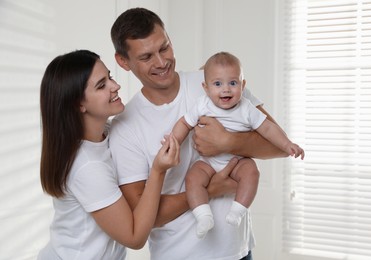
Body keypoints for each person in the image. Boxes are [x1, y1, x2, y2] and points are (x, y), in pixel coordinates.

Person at [109, 7, 288, 260]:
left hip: (238, 252)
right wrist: (210, 190)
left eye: (164, 47)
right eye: (146, 56)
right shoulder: (124, 128)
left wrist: (229, 141)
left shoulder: (217, 81)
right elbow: (143, 217)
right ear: (123, 62)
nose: (161, 62)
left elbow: (281, 146)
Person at [38, 50, 180, 259]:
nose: (115, 86)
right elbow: (134, 237)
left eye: (110, 77)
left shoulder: (104, 132)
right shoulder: (87, 167)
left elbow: (144, 118)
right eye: (101, 85)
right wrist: (158, 171)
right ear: (79, 105)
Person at [171, 51, 305, 239]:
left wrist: (287, 144)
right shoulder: (202, 104)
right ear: (206, 87)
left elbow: (267, 129)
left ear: (243, 85)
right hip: (208, 161)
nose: (226, 89)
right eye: (218, 84)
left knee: (251, 172)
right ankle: (203, 215)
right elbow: (184, 123)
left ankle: (237, 211)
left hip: (237, 160)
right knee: (193, 178)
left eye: (233, 83)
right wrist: (174, 141)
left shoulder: (247, 108)